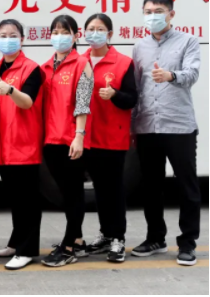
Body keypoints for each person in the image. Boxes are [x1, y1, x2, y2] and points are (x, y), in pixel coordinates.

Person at [131, 0, 201, 266]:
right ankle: (155, 238)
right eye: (148, 12)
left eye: (158, 11)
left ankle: (187, 243)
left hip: (179, 125)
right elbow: (137, 88)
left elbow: (192, 74)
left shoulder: (188, 41)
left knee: (187, 186)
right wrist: (132, 125)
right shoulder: (140, 46)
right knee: (151, 187)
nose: (152, 16)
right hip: (147, 125)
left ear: (171, 14)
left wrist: (171, 75)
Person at [0, 19, 44, 270]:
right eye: (2, 35)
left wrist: (10, 90)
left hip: (24, 142)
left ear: (22, 39)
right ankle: (16, 242)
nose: (7, 39)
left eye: (13, 35)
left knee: (28, 200)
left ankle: (27, 250)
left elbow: (28, 102)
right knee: (15, 198)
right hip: (3, 142)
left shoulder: (31, 69)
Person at [81, 13, 137, 263]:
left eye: (100, 29)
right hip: (87, 137)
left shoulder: (123, 63)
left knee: (114, 188)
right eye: (90, 29)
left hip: (112, 136)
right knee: (99, 188)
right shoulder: (79, 61)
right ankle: (105, 234)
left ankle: (118, 238)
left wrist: (114, 94)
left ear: (110, 34)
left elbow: (132, 99)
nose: (94, 33)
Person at [40, 15, 94, 268]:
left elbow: (83, 103)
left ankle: (69, 246)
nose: (59, 36)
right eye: (55, 32)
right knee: (65, 192)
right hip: (50, 140)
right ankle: (79, 240)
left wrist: (79, 136)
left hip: (71, 140)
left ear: (75, 36)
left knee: (73, 193)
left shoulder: (82, 63)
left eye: (65, 32)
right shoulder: (45, 67)